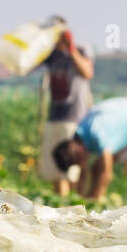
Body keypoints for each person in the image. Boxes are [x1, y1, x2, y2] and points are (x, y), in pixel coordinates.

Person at [53, 97, 127, 202]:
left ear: (81, 151)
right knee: (96, 168)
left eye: (79, 163)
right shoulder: (81, 133)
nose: (82, 165)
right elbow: (86, 173)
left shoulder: (96, 134)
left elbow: (106, 173)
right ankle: (92, 203)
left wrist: (97, 201)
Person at [39, 18, 95, 195]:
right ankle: (62, 209)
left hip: (75, 118)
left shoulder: (80, 50)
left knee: (74, 171)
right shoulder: (50, 55)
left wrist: (70, 47)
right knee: (58, 171)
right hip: (54, 117)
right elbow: (27, 62)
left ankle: (75, 207)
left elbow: (87, 72)